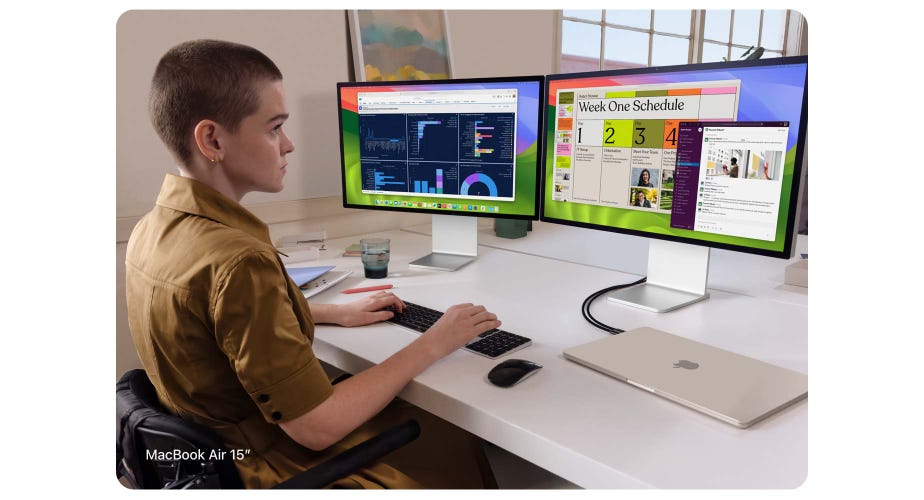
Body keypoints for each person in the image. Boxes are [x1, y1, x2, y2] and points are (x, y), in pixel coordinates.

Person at [125, 40, 500, 489]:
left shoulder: (154, 227)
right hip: (265, 462)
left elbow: (210, 324)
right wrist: (435, 342)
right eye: (273, 128)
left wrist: (327, 313)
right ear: (212, 139)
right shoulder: (239, 260)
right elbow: (316, 427)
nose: (288, 144)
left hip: (208, 453)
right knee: (452, 435)